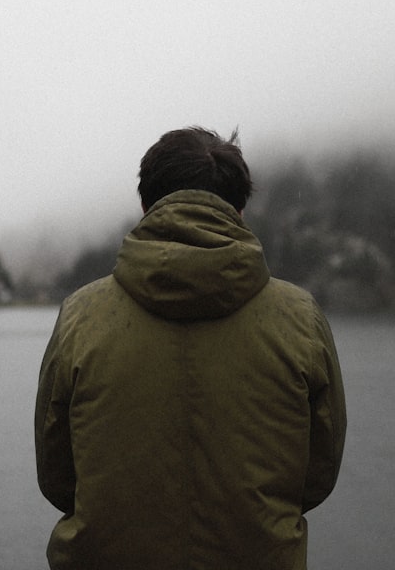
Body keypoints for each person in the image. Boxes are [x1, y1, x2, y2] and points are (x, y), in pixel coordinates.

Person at [34, 126, 346, 570]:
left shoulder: (81, 317)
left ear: (145, 207)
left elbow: (57, 476)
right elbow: (317, 473)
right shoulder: (301, 318)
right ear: (239, 210)